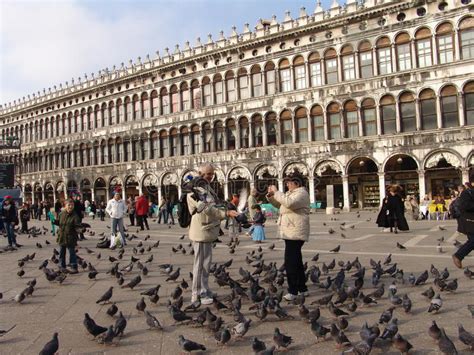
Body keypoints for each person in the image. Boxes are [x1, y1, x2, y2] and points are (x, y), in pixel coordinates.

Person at [188, 163, 239, 305]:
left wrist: (227, 207)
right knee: (200, 264)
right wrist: (226, 213)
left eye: (211, 174)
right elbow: (208, 209)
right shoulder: (195, 188)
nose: (210, 176)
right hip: (201, 231)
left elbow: (215, 203)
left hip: (208, 230)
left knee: (206, 263)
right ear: (200, 172)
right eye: (207, 174)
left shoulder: (205, 187)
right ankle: (197, 294)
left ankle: (205, 289)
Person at [267, 171, 310, 301]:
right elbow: (280, 205)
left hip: (295, 231)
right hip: (291, 230)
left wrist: (277, 192)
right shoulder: (291, 194)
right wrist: (271, 196)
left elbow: (289, 203)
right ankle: (302, 288)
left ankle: (293, 291)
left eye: (289, 183)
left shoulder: (301, 193)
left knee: (290, 262)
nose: (287, 185)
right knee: (296, 261)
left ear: (296, 183)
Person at [53, 199, 83, 274]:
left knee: (72, 252)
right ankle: (61, 267)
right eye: (69, 205)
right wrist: (55, 222)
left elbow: (77, 226)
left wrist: (80, 229)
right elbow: (59, 222)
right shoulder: (61, 214)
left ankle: (74, 267)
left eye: (72, 205)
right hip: (62, 236)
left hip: (71, 237)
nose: (70, 206)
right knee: (61, 253)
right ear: (65, 206)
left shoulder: (75, 215)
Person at [452, 183, 474, 269]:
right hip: (469, 222)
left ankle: (458, 256)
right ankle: (458, 256)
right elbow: (464, 206)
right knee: (473, 241)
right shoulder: (467, 193)